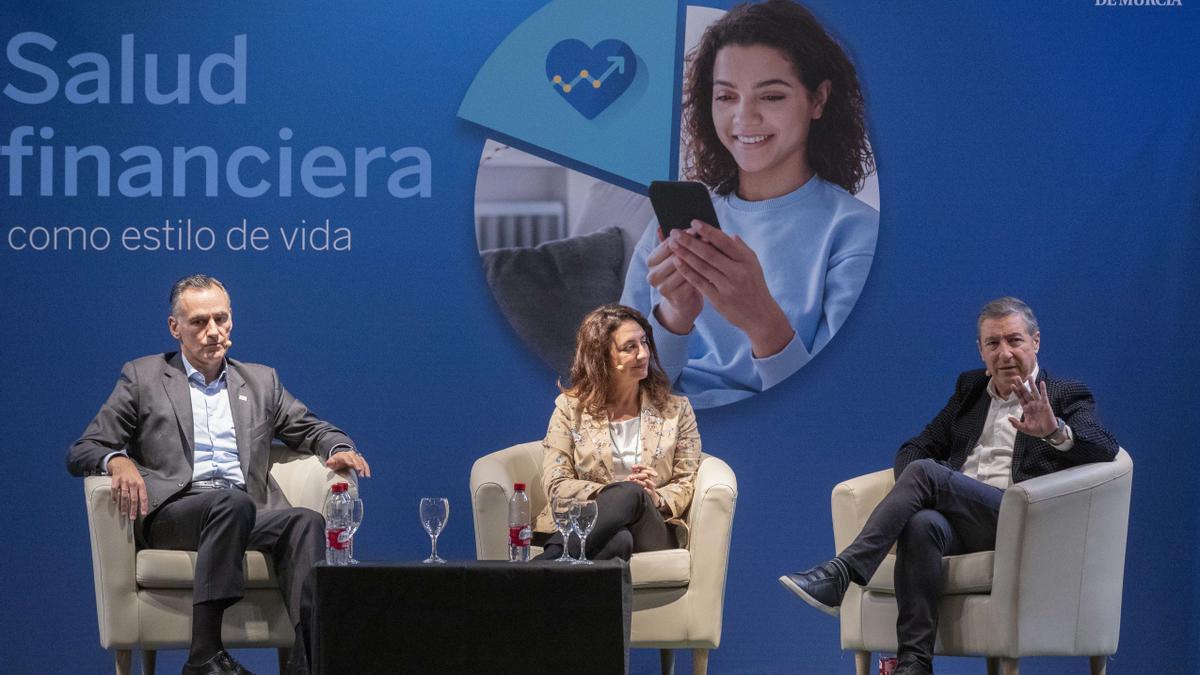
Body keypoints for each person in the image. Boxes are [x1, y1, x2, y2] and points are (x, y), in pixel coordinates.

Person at [779, 297, 1121, 675]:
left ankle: (842, 573)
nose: (1005, 353)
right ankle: (914, 663)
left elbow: (1104, 448)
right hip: (965, 521)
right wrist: (934, 489)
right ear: (981, 350)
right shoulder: (971, 391)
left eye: (1015, 340)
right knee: (920, 522)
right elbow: (915, 448)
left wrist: (1054, 431)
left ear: (1035, 342)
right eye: (993, 344)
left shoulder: (1062, 393)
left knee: (926, 474)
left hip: (1022, 521)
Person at [67, 274, 371, 675]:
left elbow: (312, 428)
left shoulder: (261, 381)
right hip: (177, 513)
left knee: (305, 522)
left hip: (246, 512)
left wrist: (339, 448)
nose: (214, 332)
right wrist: (117, 461)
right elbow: (84, 448)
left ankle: (308, 660)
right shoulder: (144, 377)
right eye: (199, 322)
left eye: (221, 319)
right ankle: (203, 654)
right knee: (230, 501)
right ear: (175, 327)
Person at [621, 0, 878, 408]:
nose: (744, 117)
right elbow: (623, 396)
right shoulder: (671, 228)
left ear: (818, 100)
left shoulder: (856, 234)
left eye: (771, 96)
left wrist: (761, 318)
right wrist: (674, 317)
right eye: (726, 96)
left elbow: (835, 407)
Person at [533, 304, 701, 561]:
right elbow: (556, 485)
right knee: (618, 539)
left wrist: (654, 497)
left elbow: (685, 481)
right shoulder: (570, 409)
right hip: (584, 526)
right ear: (600, 357)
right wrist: (612, 492)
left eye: (644, 343)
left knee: (634, 494)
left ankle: (540, 566)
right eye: (629, 347)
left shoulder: (676, 411)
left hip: (652, 528)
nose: (643, 354)